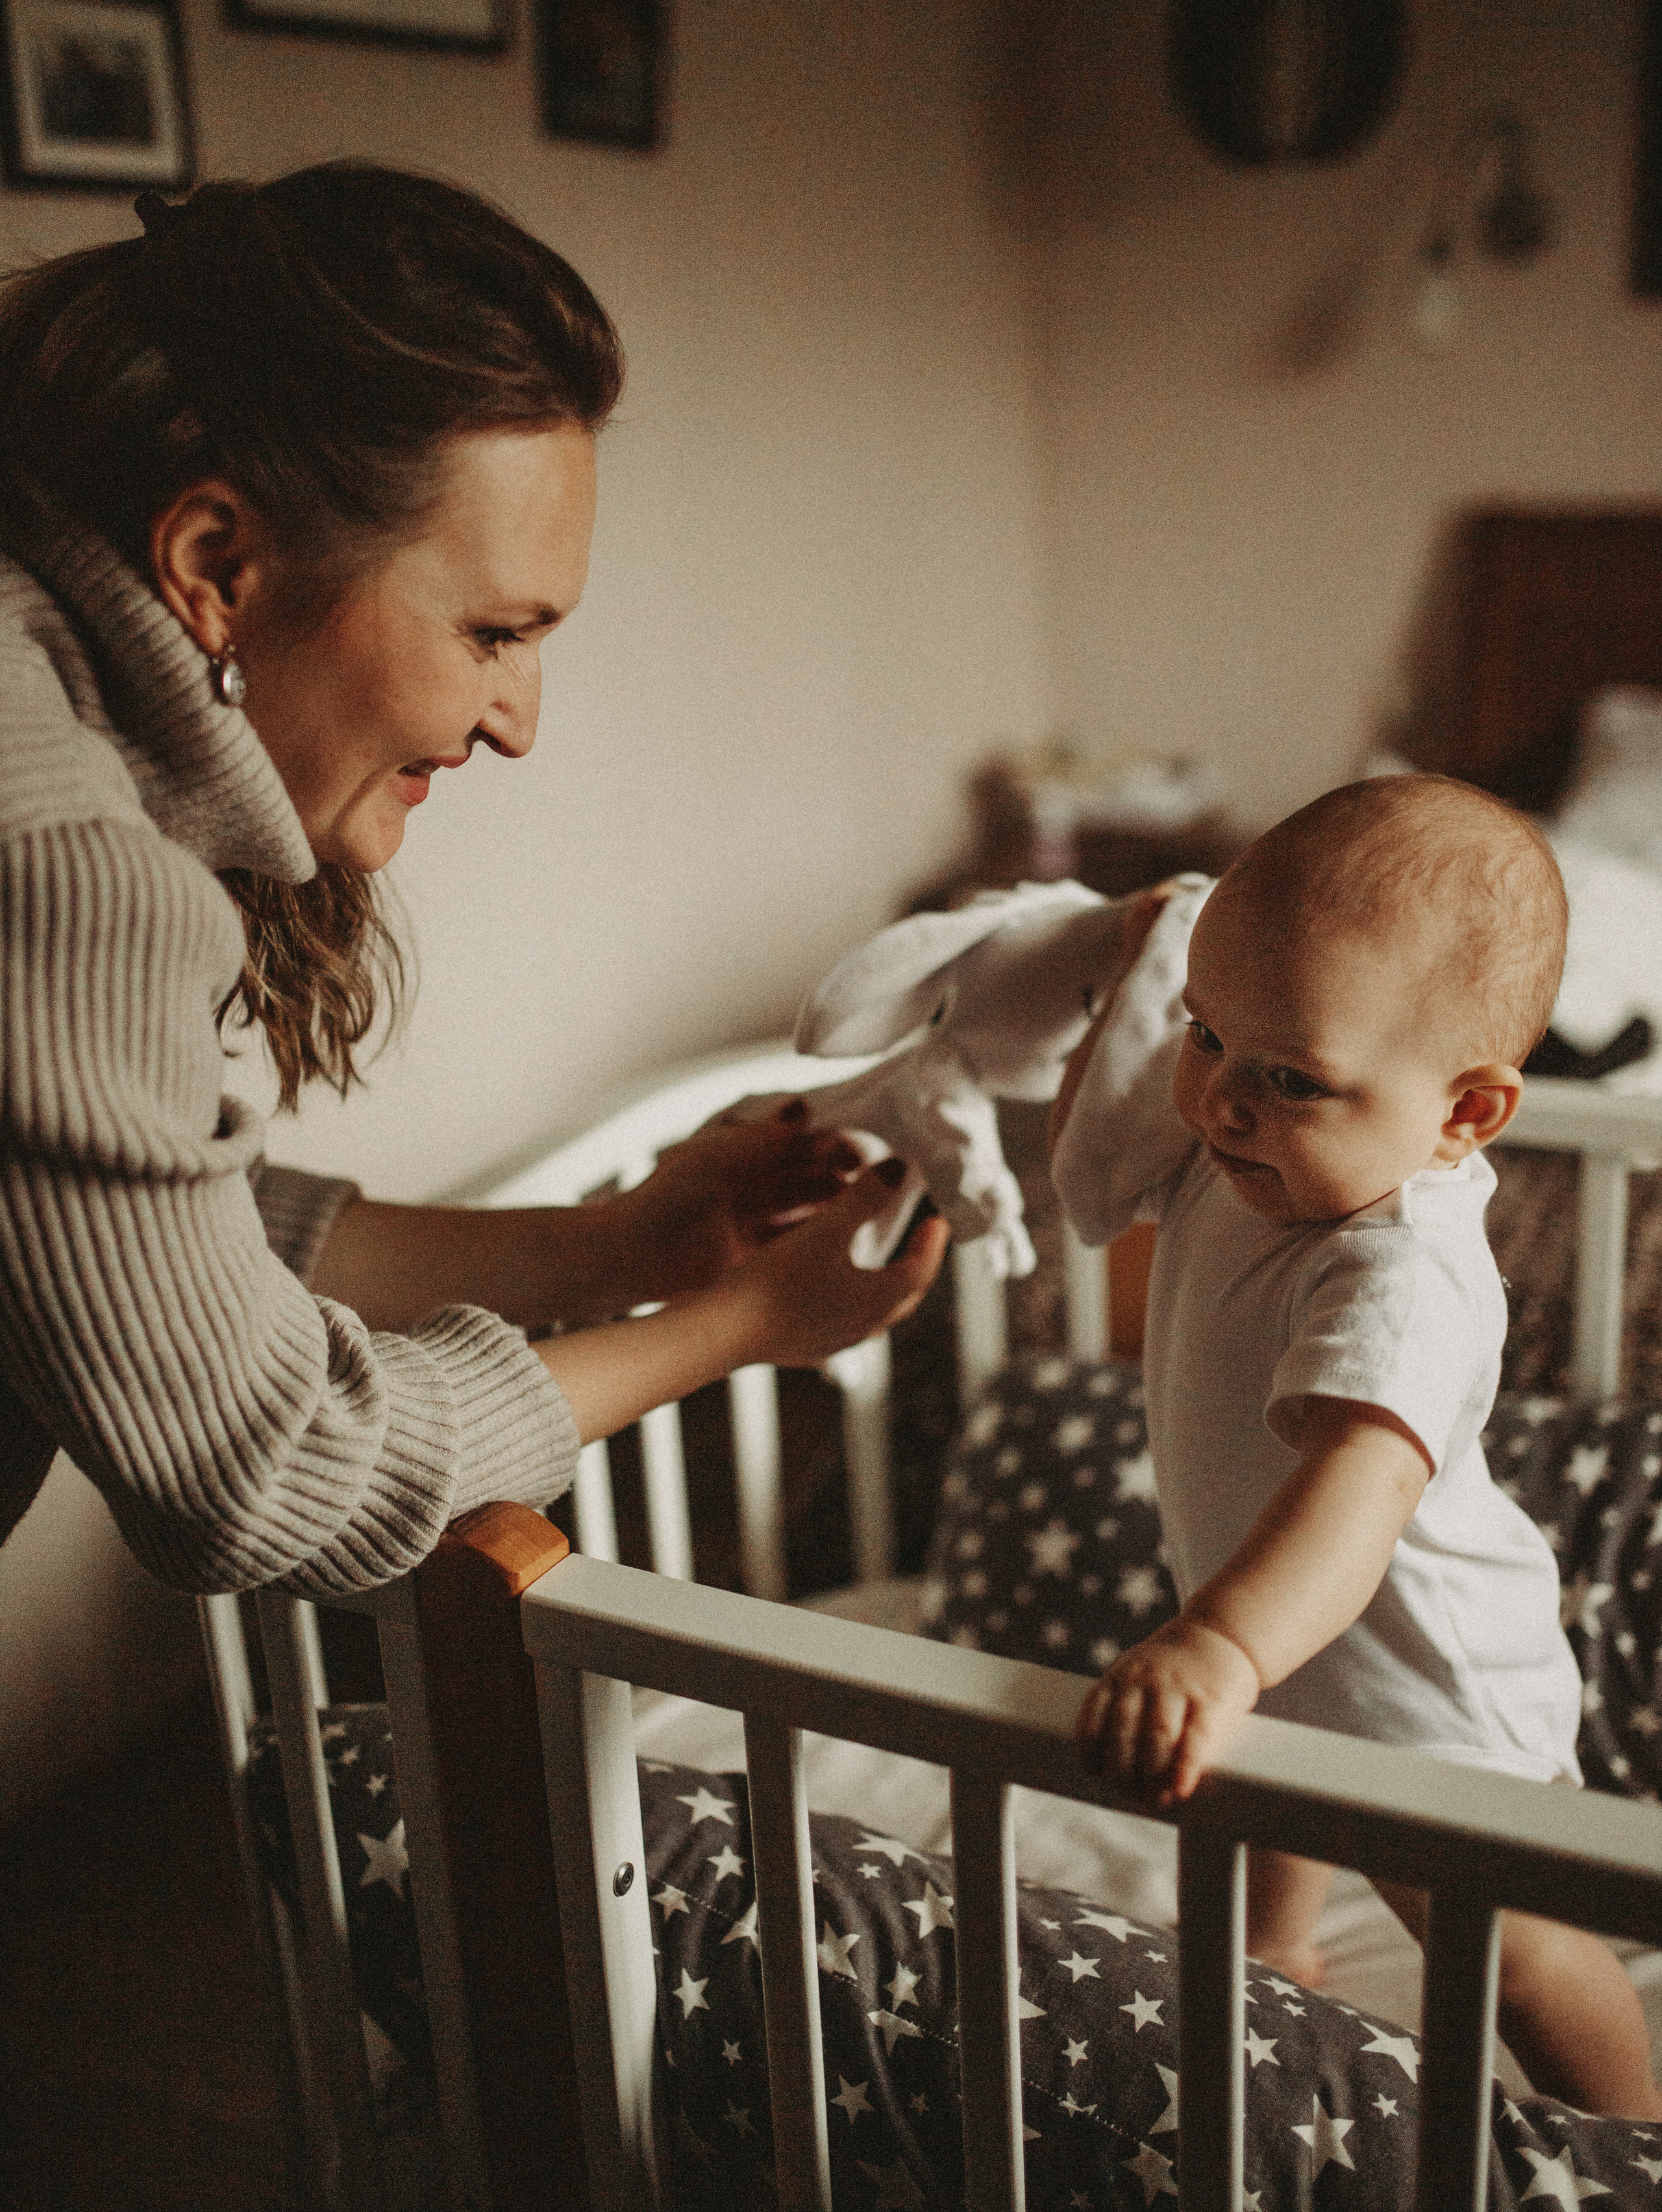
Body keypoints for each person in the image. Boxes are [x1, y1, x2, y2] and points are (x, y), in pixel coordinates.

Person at [0, 162, 947, 1599]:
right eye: (494, 633)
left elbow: (148, 1241)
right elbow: (268, 1469)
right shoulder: (60, 852)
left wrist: (619, 1244)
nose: (519, 722)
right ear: (214, 561)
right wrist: (740, 1323)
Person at [1048, 773, 1662, 2118]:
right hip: (1280, 1623)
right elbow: (1094, 1153)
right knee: (1267, 1761)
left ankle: (1634, 2142)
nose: (1217, 1102)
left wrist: (1218, 1642)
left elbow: (1351, 1499)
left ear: (1464, 1115)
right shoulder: (1242, 1150)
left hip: (1419, 1675)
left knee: (1507, 1959)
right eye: (1206, 1035)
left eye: (1291, 1078)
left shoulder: (1400, 1268)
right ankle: (1278, 1944)